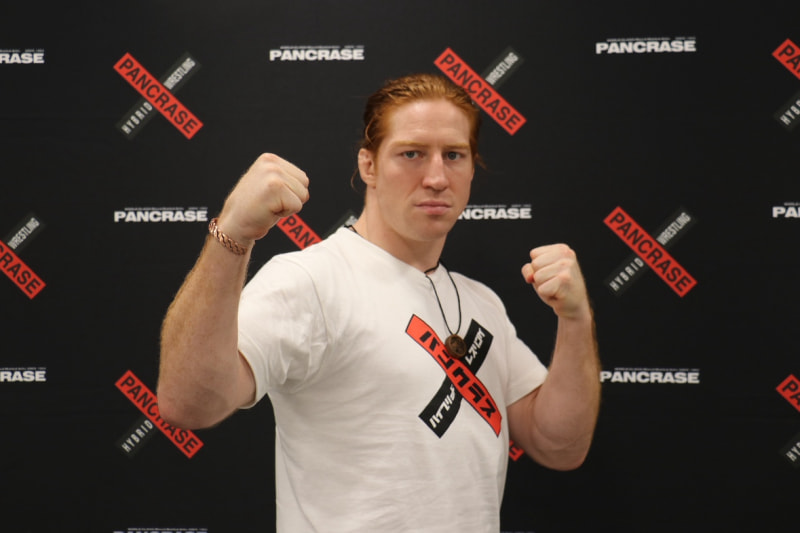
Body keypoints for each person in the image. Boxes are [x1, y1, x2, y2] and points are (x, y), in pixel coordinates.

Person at [157, 73, 601, 532]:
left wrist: (575, 319)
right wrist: (232, 234)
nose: (436, 178)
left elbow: (559, 445)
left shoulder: (481, 302)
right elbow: (187, 403)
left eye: (454, 155)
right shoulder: (312, 281)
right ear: (368, 166)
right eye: (412, 154)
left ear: (473, 168)